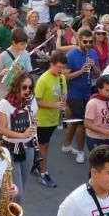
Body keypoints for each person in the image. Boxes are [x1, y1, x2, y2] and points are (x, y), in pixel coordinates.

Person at [63, 29, 101, 164]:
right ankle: (80, 151)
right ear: (78, 40)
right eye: (85, 41)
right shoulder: (71, 55)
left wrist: (93, 67)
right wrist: (80, 71)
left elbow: (98, 74)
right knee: (81, 123)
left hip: (88, 92)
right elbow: (64, 76)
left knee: (74, 123)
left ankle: (66, 145)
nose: (88, 44)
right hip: (74, 94)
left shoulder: (93, 53)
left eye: (91, 41)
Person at [34, 51, 69, 188]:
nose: (61, 70)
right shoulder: (43, 79)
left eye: (63, 67)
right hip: (42, 119)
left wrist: (63, 99)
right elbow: (36, 101)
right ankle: (43, 173)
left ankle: (36, 164)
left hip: (53, 118)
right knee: (44, 146)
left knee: (44, 145)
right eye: (59, 67)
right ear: (51, 64)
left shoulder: (62, 77)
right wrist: (54, 105)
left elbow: (64, 92)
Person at [84, 76, 109, 150]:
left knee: (106, 160)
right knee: (98, 160)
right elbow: (87, 124)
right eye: (107, 90)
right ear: (99, 89)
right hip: (95, 138)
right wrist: (105, 131)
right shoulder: (93, 103)